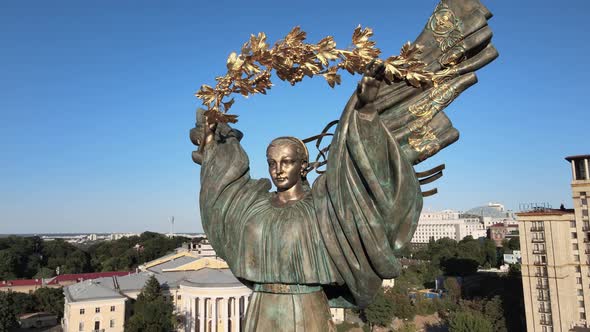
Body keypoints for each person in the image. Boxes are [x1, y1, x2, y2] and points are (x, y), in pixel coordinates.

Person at [192, 69, 422, 331]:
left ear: (303, 167)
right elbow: (221, 189)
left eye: (287, 162)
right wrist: (211, 141)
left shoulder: (323, 206)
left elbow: (364, 178)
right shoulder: (252, 205)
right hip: (260, 308)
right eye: (272, 163)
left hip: (307, 308)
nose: (278, 170)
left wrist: (366, 111)